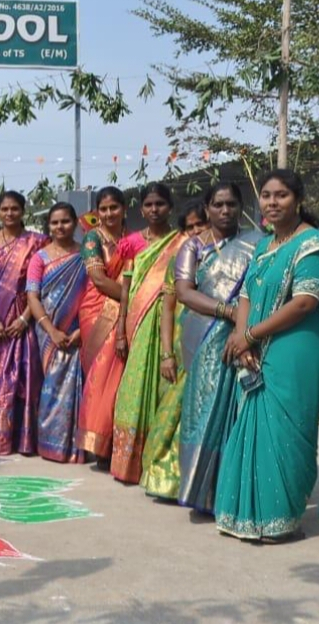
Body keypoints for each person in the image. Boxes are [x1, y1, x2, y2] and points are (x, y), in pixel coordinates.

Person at [216, 169, 319, 542]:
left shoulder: (313, 245)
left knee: (287, 431)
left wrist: (250, 335)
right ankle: (248, 516)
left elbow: (305, 302)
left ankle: (281, 520)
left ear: (298, 200)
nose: (272, 202)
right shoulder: (264, 246)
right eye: (266, 195)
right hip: (256, 344)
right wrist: (243, 338)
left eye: (281, 195)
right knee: (254, 426)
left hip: (296, 349)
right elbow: (245, 295)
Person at [175, 184, 257, 513]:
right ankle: (201, 491)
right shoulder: (193, 246)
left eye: (231, 204)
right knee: (204, 411)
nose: (225, 210)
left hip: (247, 333)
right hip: (204, 336)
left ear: (240, 207)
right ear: (207, 208)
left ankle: (234, 490)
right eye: (218, 204)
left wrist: (243, 322)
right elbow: (184, 292)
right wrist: (227, 311)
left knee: (240, 410)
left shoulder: (255, 243)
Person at [110, 182, 186, 484]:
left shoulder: (182, 242)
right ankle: (128, 463)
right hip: (139, 322)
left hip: (171, 322)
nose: (154, 210)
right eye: (149, 205)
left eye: (160, 204)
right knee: (135, 387)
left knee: (164, 387)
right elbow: (126, 289)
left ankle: (157, 459)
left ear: (170, 207)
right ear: (141, 210)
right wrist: (120, 329)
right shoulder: (131, 243)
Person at [139, 201, 208, 498]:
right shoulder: (179, 262)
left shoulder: (231, 258)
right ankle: (166, 479)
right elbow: (167, 309)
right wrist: (166, 354)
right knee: (172, 414)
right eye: (190, 227)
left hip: (214, 343)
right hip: (182, 346)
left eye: (200, 224)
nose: (196, 231)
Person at [0, 190, 48, 456]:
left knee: (25, 378)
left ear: (23, 211)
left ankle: (24, 440)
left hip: (23, 317)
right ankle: (0, 438)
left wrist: (24, 318)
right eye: (5, 209)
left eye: (14, 209)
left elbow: (39, 286)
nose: (9, 213)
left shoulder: (37, 242)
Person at [77, 187, 136, 466]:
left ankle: (115, 442)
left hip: (125, 311)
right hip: (97, 310)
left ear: (124, 209)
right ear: (97, 212)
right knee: (100, 375)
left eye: (114, 207)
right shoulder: (93, 238)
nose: (109, 213)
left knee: (121, 376)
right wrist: (132, 300)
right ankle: (96, 443)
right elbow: (99, 279)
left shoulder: (133, 239)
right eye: (104, 208)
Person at [26, 202, 87, 463]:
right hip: (47, 333)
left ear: (74, 223)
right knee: (50, 387)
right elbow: (32, 296)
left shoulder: (86, 255)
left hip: (79, 332)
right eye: (54, 222)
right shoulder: (39, 258)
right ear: (48, 226)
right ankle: (50, 444)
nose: (60, 227)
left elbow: (93, 295)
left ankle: (74, 446)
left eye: (65, 221)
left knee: (75, 388)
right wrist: (51, 331)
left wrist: (82, 330)